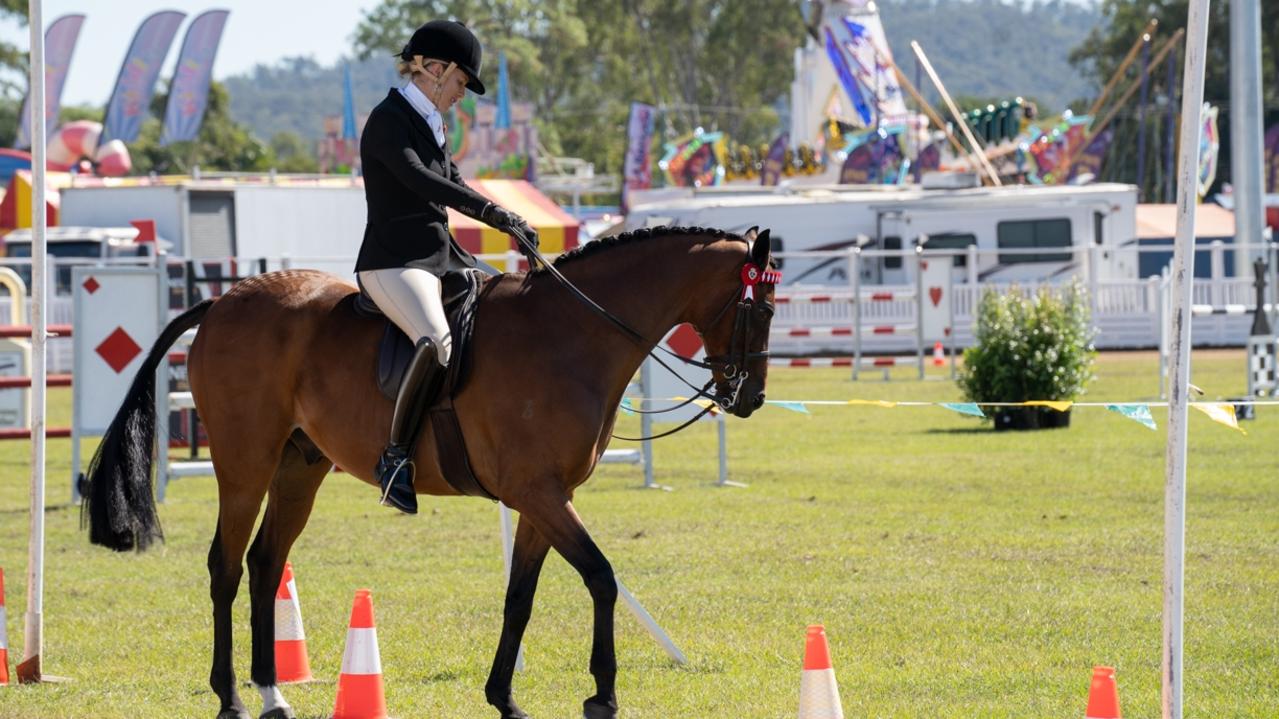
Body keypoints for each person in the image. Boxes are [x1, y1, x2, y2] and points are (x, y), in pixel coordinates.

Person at [355, 19, 538, 514]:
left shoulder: (434, 124)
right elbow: (421, 181)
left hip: (440, 258)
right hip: (394, 262)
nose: (462, 94)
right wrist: (494, 213)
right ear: (434, 69)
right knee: (437, 341)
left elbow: (456, 184)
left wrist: (511, 222)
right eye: (460, 82)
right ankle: (394, 460)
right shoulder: (388, 120)